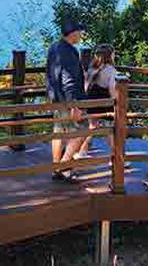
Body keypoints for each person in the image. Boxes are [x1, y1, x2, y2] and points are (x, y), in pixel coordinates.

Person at [45, 19, 87, 182]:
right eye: (80, 32)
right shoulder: (69, 52)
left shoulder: (54, 47)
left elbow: (49, 73)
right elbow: (68, 79)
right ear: (73, 33)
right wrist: (74, 105)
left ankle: (56, 169)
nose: (81, 35)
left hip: (56, 98)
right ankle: (63, 166)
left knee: (59, 131)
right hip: (68, 100)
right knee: (81, 129)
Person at [76, 44, 118, 157]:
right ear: (110, 56)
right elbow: (111, 89)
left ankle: (82, 152)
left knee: (92, 127)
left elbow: (86, 85)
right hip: (104, 102)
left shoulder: (91, 68)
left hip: (91, 99)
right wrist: (116, 102)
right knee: (108, 130)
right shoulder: (112, 70)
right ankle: (117, 156)